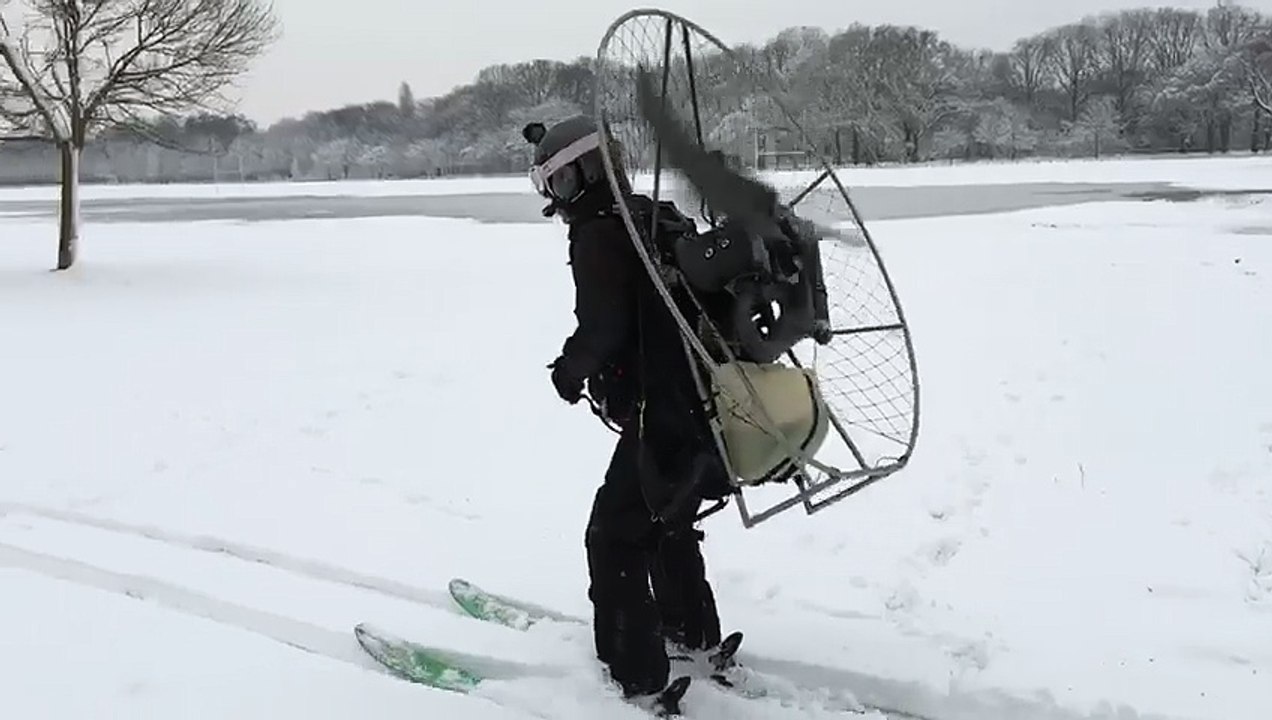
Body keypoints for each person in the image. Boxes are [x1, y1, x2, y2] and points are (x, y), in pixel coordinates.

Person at [524, 115, 731, 703]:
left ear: (586, 171)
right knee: (665, 517)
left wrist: (570, 372)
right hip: (706, 402)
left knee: (612, 535)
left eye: (559, 182)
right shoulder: (650, 215)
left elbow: (605, 327)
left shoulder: (599, 231)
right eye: (549, 186)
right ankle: (691, 634)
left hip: (663, 407)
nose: (557, 199)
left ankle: (636, 680)